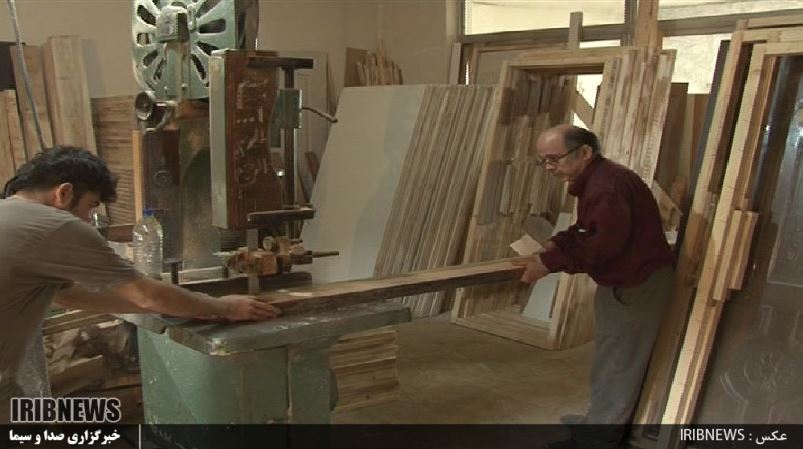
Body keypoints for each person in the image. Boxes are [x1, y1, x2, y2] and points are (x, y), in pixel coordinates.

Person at [0, 146, 280, 422]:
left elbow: (67, 296)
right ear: (64, 193)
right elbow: (147, 295)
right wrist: (225, 308)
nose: (87, 219)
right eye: (90, 206)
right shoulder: (56, 225)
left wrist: (176, 306)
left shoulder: (8, 213)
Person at [514, 125, 675, 449]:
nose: (548, 167)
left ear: (584, 152)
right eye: (543, 161)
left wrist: (547, 264)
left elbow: (601, 248)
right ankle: (599, 422)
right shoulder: (598, 181)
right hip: (623, 280)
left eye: (554, 159)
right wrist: (557, 243)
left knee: (618, 364)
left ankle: (599, 439)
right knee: (609, 358)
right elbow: (587, 230)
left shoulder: (606, 188)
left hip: (636, 284)